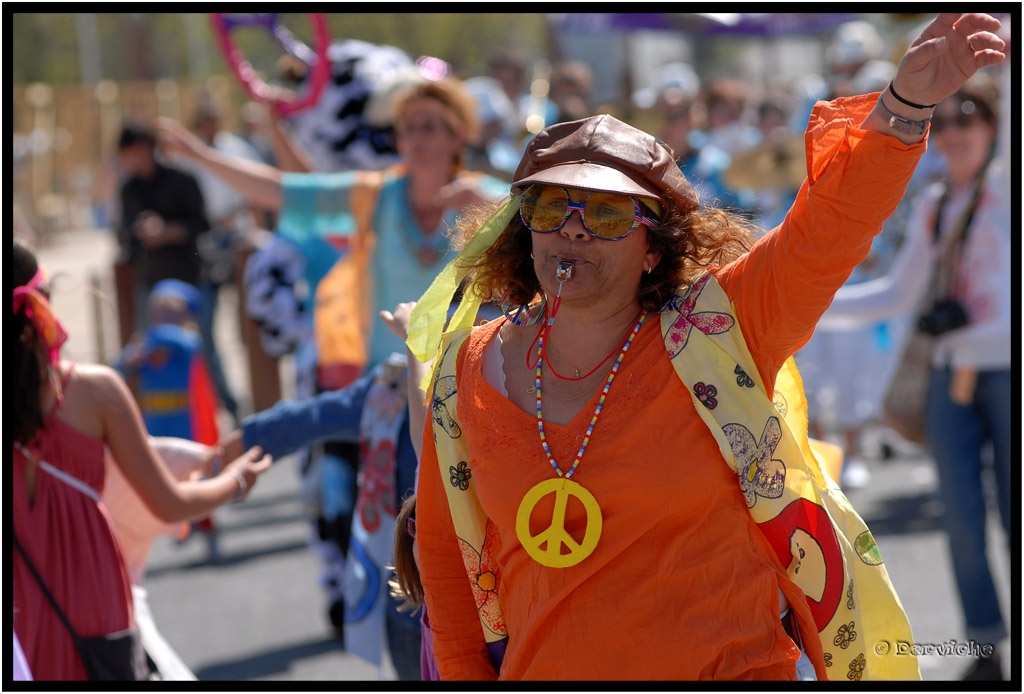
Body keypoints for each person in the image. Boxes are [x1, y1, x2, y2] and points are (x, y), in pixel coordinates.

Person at [403, 13, 1004, 681]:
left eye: (604, 214)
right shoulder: (468, 368)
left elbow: (826, 231)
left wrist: (905, 105)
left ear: (654, 251)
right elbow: (448, 577)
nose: (571, 231)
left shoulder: (720, 330)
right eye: (550, 208)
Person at [158, 76, 509, 637]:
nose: (415, 137)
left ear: (458, 135)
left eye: (429, 126)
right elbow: (279, 189)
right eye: (407, 126)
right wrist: (199, 154)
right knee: (391, 525)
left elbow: (551, 230)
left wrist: (495, 208)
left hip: (470, 390)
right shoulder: (376, 193)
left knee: (472, 529)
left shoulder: (495, 199)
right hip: (390, 387)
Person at [819, 65, 1011, 681]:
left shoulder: (1010, 186)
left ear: (992, 124)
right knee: (959, 517)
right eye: (944, 120)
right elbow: (895, 294)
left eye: (971, 116)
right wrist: (805, 305)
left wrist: (1007, 50)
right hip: (949, 378)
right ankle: (984, 644)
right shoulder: (933, 205)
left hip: (1010, 373)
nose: (955, 130)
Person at [12, 237, 272, 681]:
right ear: (46, 303)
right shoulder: (94, 392)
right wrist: (237, 481)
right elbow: (170, 504)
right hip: (95, 600)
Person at [114, 278, 223, 562]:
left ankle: (207, 531)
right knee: (155, 477)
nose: (162, 316)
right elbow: (118, 367)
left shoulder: (184, 341)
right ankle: (170, 528)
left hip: (184, 419)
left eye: (170, 311)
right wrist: (130, 359)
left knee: (194, 475)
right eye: (159, 310)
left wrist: (152, 338)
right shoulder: (146, 343)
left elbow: (186, 345)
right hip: (154, 419)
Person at [115, 120, 211, 337]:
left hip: (190, 277)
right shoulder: (129, 189)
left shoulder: (183, 180)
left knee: (203, 351)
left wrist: (167, 232)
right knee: (155, 350)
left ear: (146, 148)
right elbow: (123, 232)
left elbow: (202, 224)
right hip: (150, 282)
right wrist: (141, 231)